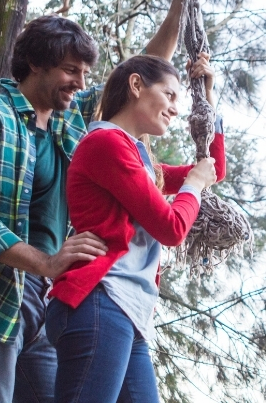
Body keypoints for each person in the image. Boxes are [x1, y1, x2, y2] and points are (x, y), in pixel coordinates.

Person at [0, 0, 203, 403]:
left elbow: (140, 79)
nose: (80, 83)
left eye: (84, 73)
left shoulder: (71, 122)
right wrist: (46, 262)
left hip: (45, 297)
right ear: (35, 65)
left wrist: (179, 5)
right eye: (70, 70)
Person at [46, 53, 225, 403]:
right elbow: (172, 228)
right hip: (101, 299)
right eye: (169, 95)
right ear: (136, 85)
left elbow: (212, 170)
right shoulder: (107, 143)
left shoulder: (141, 159)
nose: (175, 109)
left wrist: (208, 98)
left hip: (127, 310)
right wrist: (192, 186)